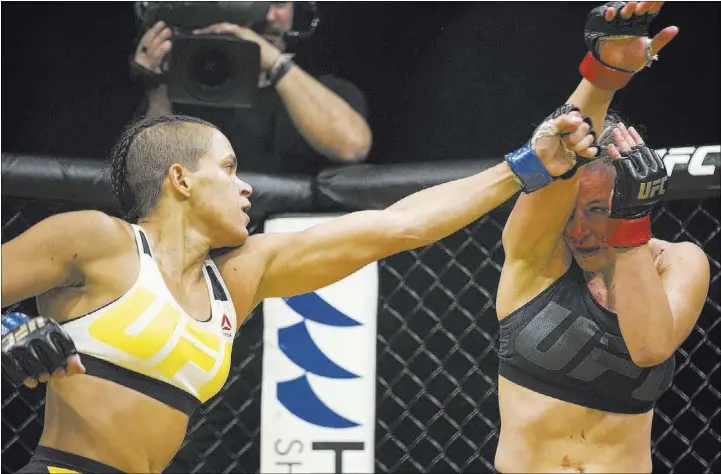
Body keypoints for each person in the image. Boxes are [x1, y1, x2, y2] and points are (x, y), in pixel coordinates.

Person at [1, 93, 597, 473]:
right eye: (229, 168)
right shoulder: (97, 239)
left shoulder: (238, 279)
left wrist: (525, 167)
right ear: (180, 179)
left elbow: (400, 226)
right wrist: (7, 329)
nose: (247, 187)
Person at [494, 2, 710, 473]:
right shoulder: (535, 258)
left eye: (598, 210)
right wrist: (604, 74)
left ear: (628, 197)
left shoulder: (676, 262)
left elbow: (650, 347)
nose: (578, 230)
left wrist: (629, 228)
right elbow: (559, 147)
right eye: (569, 213)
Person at [133, 1, 372, 176]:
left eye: (279, 2)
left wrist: (276, 65)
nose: (268, 15)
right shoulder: (186, 91)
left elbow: (352, 146)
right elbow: (150, 177)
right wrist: (156, 85)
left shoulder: (328, 91)